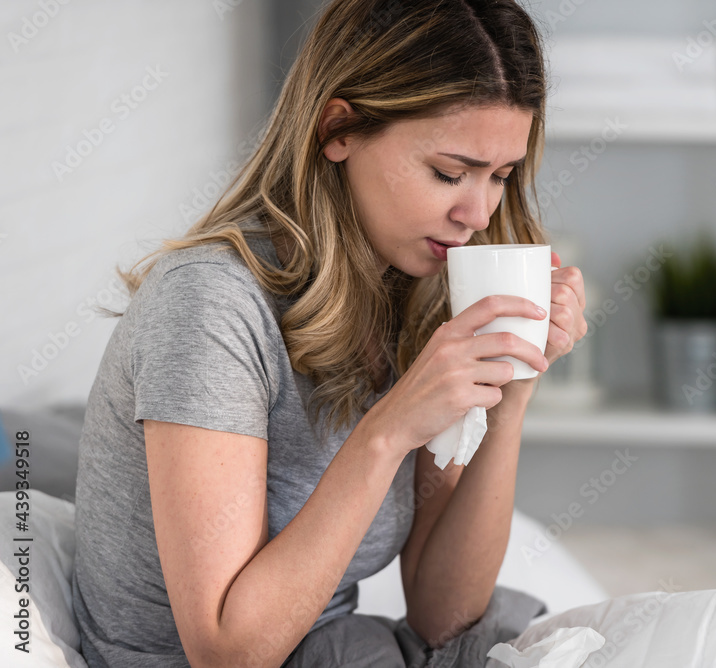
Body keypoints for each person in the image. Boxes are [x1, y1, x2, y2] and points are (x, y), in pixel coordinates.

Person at [69, 0, 588, 666]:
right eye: (449, 173)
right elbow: (227, 652)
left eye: (502, 176)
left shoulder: (412, 291)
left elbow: (443, 613)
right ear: (337, 128)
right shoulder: (208, 307)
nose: (478, 213)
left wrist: (513, 387)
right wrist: (390, 428)